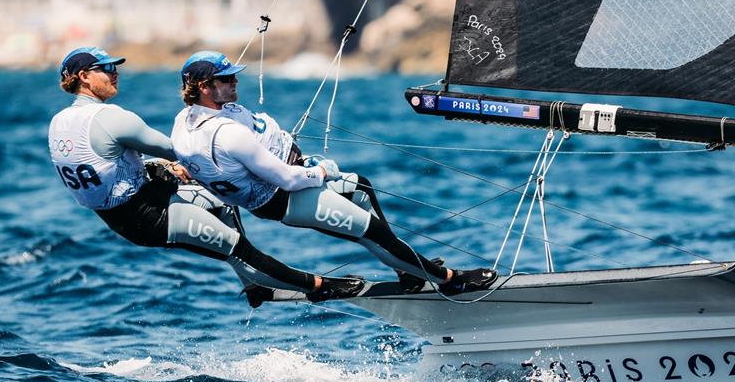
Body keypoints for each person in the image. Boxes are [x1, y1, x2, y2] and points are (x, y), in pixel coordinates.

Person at [48, 46, 365, 307]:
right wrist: (236, 147)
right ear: (84, 77)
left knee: (222, 204)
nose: (115, 73)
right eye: (106, 68)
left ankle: (254, 287)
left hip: (127, 214)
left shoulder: (59, 122)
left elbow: (102, 167)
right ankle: (321, 286)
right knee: (240, 249)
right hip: (151, 216)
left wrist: (156, 167)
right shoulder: (110, 117)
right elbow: (181, 150)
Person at [170, 51, 498, 295]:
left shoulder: (184, 122)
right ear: (205, 87)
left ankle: (409, 272)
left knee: (361, 188)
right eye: (227, 79)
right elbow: (284, 178)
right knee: (371, 232)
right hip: (286, 197)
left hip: (287, 184)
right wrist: (321, 172)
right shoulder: (226, 134)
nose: (235, 81)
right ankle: (452, 281)